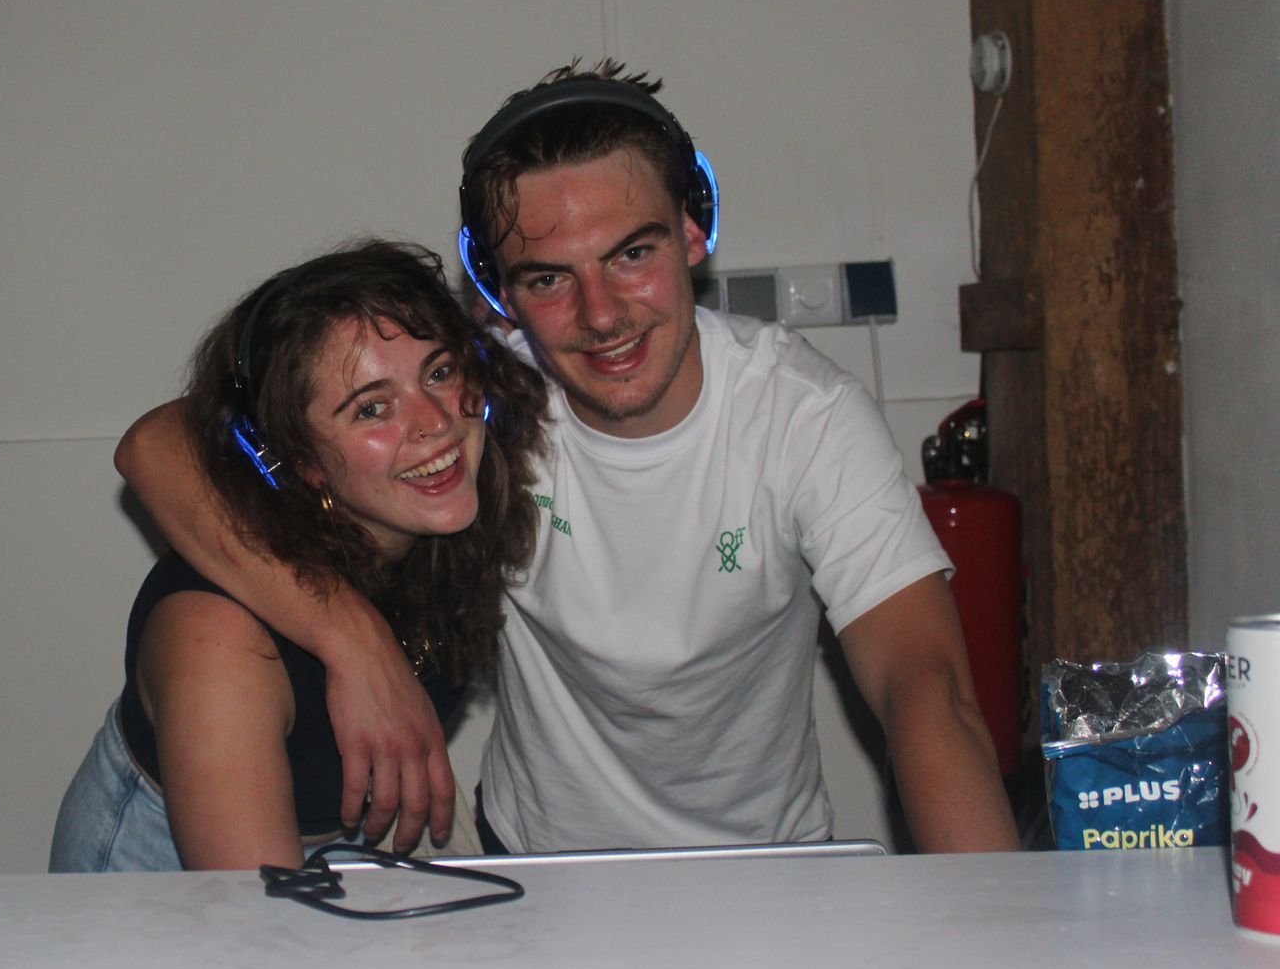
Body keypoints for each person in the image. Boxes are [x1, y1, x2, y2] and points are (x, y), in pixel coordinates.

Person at [115, 61, 1020, 856]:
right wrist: (353, 640)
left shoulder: (803, 414)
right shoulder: (478, 396)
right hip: (538, 868)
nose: (601, 314)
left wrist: (992, 933)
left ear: (694, 232)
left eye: (631, 254)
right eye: (549, 277)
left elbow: (927, 688)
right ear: (498, 291)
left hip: (767, 867)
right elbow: (158, 444)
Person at [49, 238, 547, 872]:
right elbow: (256, 917)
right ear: (301, 461)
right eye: (372, 408)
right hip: (166, 883)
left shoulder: (430, 526)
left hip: (340, 855)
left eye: (439, 373)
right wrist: (355, 644)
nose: (434, 422)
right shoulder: (219, 642)